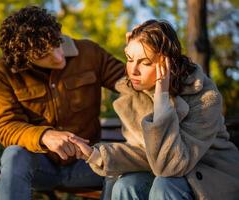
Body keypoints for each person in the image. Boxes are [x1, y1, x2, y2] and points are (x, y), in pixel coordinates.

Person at [70, 19, 239, 200]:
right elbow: (149, 155)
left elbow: (171, 166)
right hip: (163, 170)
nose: (132, 70)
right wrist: (96, 155)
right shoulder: (134, 95)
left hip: (208, 177)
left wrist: (161, 98)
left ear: (167, 65)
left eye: (145, 62)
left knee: (164, 185)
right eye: (129, 59)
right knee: (125, 185)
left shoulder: (204, 97)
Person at [0, 5, 125, 200]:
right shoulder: (5, 71)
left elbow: (133, 81)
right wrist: (44, 135)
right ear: (24, 60)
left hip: (88, 165)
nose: (58, 56)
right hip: (41, 167)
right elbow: (5, 126)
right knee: (13, 156)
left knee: (121, 166)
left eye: (57, 43)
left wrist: (145, 52)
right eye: (43, 55)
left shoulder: (90, 53)